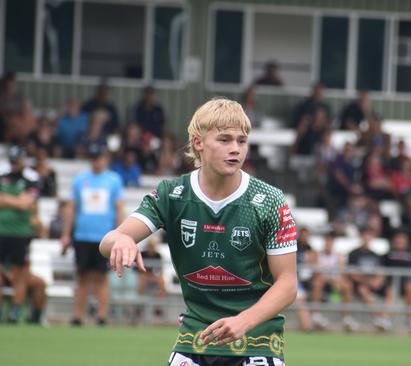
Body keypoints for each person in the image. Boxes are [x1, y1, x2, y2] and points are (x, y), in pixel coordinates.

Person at [99, 98, 297, 364]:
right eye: (224, 140)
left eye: (242, 141)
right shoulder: (172, 195)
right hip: (195, 340)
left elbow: (287, 284)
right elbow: (108, 241)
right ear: (198, 143)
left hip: (255, 342)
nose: (235, 149)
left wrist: (243, 321)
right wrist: (122, 240)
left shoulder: (270, 201)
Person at [61, 143, 124, 326]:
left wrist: (120, 233)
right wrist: (66, 233)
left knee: (101, 277)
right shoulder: (80, 180)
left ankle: (101, 315)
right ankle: (78, 315)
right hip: (82, 236)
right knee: (82, 276)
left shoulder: (113, 180)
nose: (96, 162)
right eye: (93, 158)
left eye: (98, 158)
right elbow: (72, 208)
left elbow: (118, 208)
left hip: (104, 237)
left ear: (104, 158)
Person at [0, 145, 39, 323]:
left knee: (19, 273)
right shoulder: (0, 174)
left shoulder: (31, 178)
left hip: (20, 232)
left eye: (17, 162)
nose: (14, 165)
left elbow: (26, 204)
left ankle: (15, 311)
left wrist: (2, 199)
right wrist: (15, 200)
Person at [309, 232, 358, 332]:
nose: (328, 243)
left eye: (330, 241)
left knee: (347, 286)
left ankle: (347, 317)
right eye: (327, 241)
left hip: (335, 281)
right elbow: (316, 273)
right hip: (322, 280)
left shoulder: (338, 256)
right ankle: (316, 314)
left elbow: (342, 272)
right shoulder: (317, 254)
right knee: (317, 283)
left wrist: (334, 279)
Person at [347, 228, 392, 330]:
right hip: (360, 284)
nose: (367, 238)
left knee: (389, 291)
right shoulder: (353, 254)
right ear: (361, 237)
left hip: (373, 283)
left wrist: (378, 281)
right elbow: (352, 273)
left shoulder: (376, 255)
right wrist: (367, 281)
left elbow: (381, 272)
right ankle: (377, 317)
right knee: (363, 289)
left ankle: (385, 317)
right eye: (365, 235)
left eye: (369, 236)